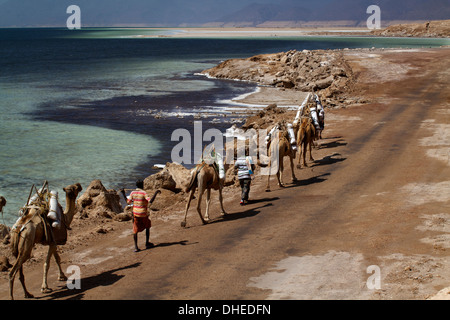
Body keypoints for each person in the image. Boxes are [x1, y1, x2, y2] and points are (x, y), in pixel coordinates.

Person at [126, 180, 153, 252]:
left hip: (135, 214)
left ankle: (136, 247)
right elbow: (150, 201)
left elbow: (128, 202)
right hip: (143, 214)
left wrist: (123, 193)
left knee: (135, 230)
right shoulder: (144, 193)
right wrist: (156, 193)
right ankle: (147, 243)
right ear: (142, 185)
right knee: (147, 226)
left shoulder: (132, 193)